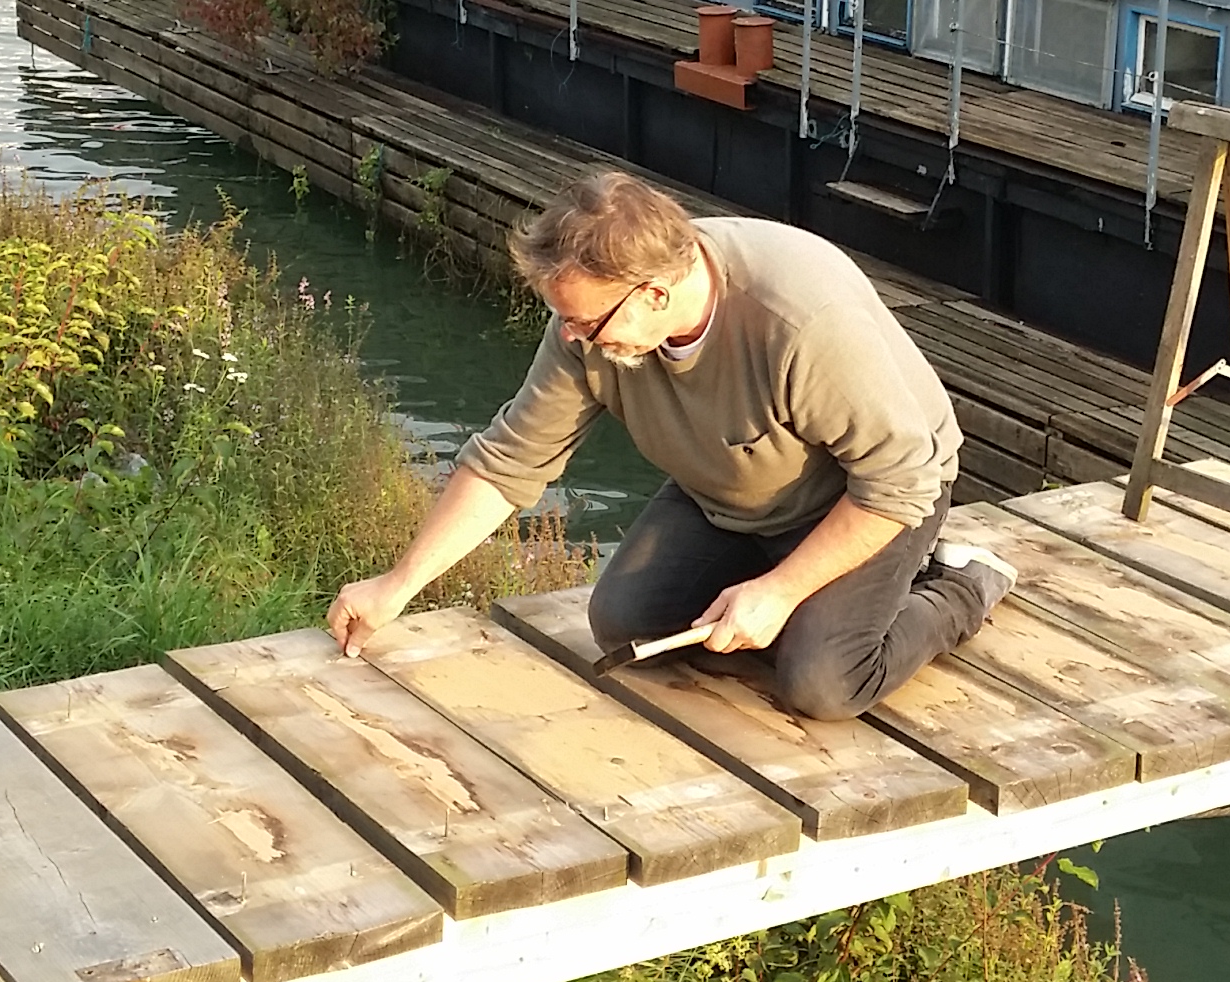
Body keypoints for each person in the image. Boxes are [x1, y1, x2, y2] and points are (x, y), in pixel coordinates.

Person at [327, 170, 1013, 717]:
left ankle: (960, 585)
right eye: (563, 318)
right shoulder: (588, 325)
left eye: (585, 323)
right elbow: (510, 460)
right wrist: (397, 586)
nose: (570, 337)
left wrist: (781, 590)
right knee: (626, 627)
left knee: (825, 683)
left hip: (868, 497)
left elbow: (899, 481)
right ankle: (810, 597)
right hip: (726, 491)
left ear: (654, 294)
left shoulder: (801, 318)